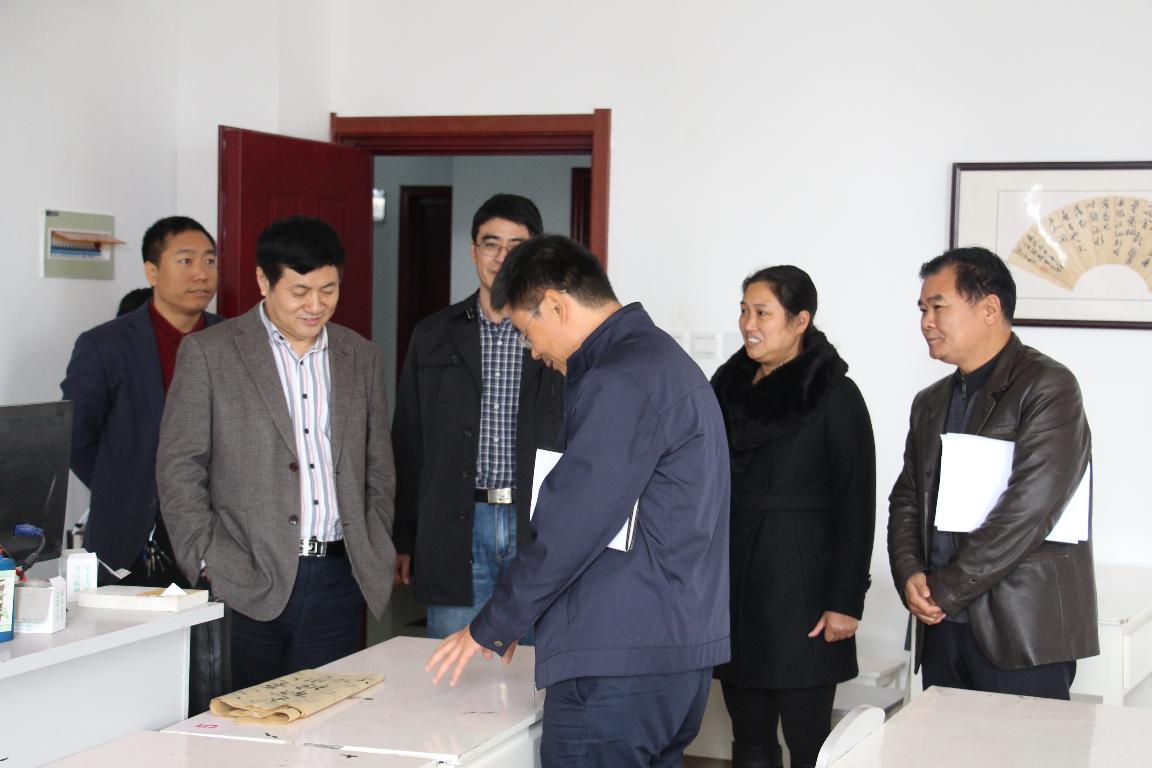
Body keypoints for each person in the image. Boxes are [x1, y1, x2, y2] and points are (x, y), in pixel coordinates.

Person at [427, 235, 731, 768]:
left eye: (527, 332)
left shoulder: (621, 380)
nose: (534, 352)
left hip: (619, 664)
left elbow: (572, 526)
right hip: (671, 655)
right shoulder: (660, 361)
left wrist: (494, 623)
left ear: (555, 305)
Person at [157, 215, 396, 690]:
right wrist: (205, 559)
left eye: (328, 290)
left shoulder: (360, 356)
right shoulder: (210, 353)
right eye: (300, 291)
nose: (316, 305)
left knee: (328, 718)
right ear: (264, 282)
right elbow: (179, 466)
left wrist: (375, 543)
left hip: (338, 577)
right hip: (242, 574)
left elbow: (378, 467)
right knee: (241, 720)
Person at [888, 246, 1098, 700]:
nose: (926, 322)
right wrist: (909, 574)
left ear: (989, 308)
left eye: (938, 307)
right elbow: (907, 498)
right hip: (942, 628)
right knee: (946, 740)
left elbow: (1028, 512)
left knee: (1025, 743)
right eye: (922, 309)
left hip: (1022, 630)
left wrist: (944, 589)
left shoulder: (1048, 386)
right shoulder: (930, 401)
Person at [710, 266, 875, 768]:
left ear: (800, 320)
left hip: (805, 588)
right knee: (748, 733)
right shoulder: (725, 389)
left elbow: (857, 501)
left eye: (762, 312)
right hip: (737, 581)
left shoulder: (834, 393)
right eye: (744, 310)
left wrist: (845, 601)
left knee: (809, 738)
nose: (748, 324)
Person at [392, 194, 563, 639]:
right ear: (473, 251)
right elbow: (409, 441)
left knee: (535, 665)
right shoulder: (433, 334)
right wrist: (403, 537)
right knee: (456, 666)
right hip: (456, 524)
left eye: (515, 246)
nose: (502, 257)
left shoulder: (560, 337)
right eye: (491, 244)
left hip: (535, 524)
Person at [62, 216, 221, 587]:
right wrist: (125, 485)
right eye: (186, 261)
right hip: (132, 536)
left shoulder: (233, 340)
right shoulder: (106, 345)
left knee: (217, 625)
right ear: (152, 271)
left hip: (218, 535)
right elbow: (75, 438)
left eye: (210, 261)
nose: (202, 274)